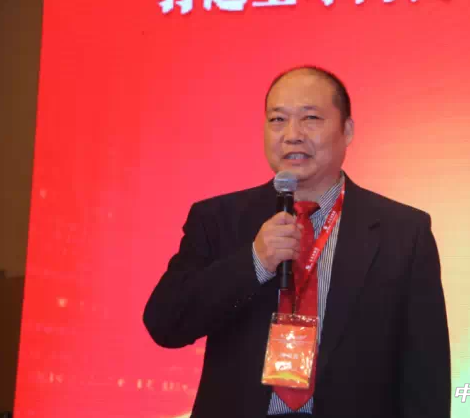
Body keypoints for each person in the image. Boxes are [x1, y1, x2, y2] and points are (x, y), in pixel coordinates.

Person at [143, 66, 451, 418]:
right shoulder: (218, 219)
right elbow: (165, 323)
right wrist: (254, 261)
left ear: (347, 130)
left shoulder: (403, 232)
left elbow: (425, 373)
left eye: (310, 118)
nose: (292, 135)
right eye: (277, 120)